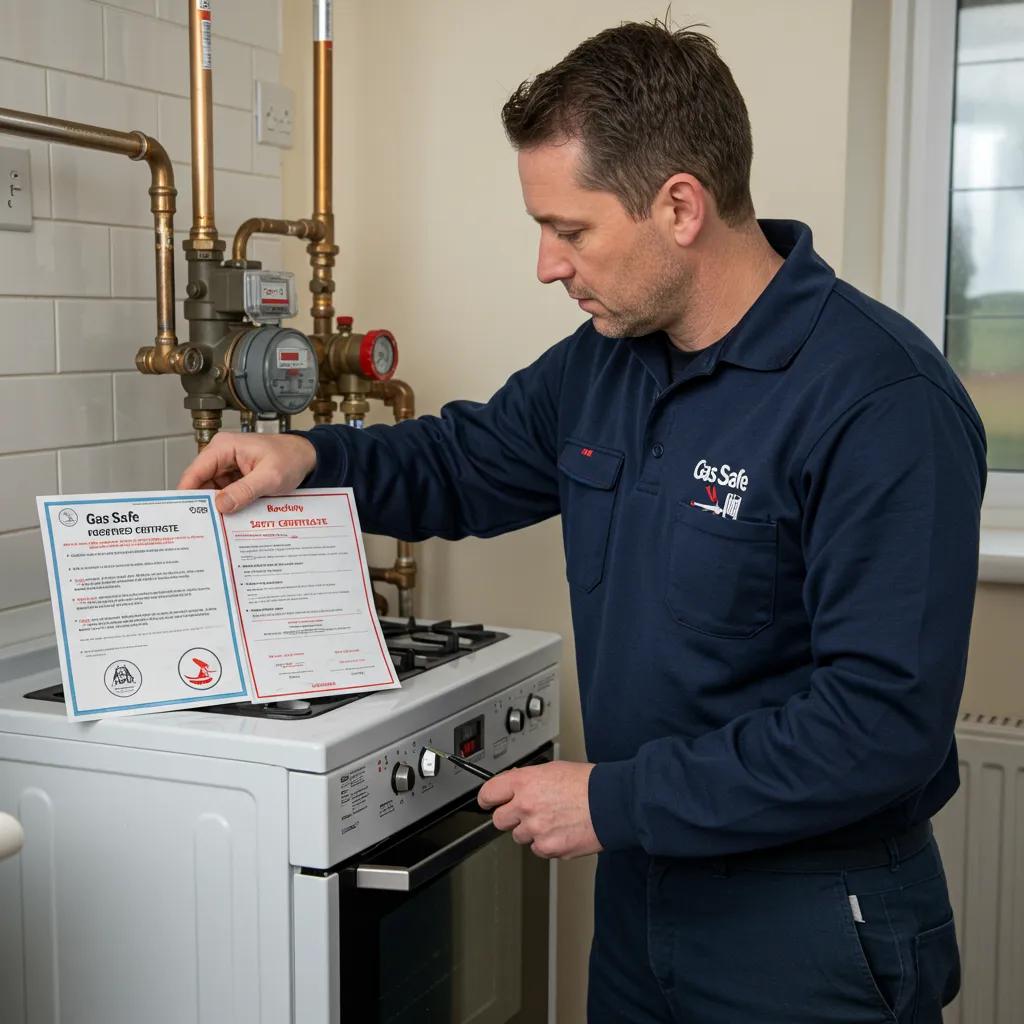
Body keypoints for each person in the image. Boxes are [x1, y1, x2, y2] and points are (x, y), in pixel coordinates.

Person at [179, 21, 985, 1024]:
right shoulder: (608, 357)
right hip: (647, 894)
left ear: (679, 206)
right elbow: (465, 460)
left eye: (571, 229)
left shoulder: (879, 398)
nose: (546, 265)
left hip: (808, 920)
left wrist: (609, 800)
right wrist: (313, 457)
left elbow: (877, 726)